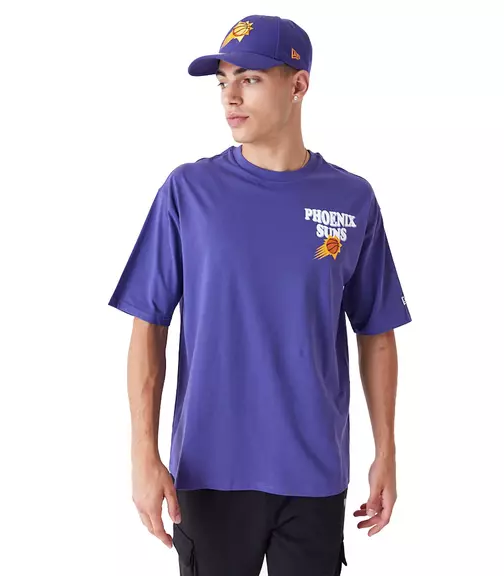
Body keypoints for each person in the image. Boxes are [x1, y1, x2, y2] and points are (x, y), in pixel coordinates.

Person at [108, 14, 412, 576]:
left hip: (315, 473)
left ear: (298, 85)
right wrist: (142, 455)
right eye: (223, 81)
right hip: (210, 472)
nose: (230, 97)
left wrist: (386, 452)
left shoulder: (351, 199)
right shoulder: (188, 191)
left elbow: (376, 332)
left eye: (249, 79)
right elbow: (148, 325)